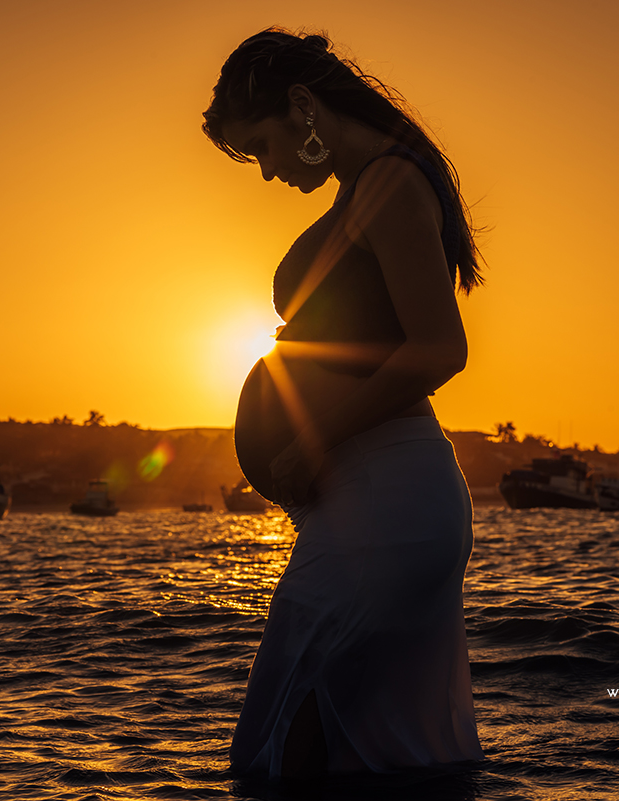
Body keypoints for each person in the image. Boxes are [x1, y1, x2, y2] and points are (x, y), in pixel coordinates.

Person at [202, 28, 486, 779]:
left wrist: (311, 437)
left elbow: (438, 349)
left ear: (302, 107)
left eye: (261, 146)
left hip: (385, 497)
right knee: (370, 753)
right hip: (376, 499)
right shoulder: (366, 187)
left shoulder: (390, 184)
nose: (265, 171)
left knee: (281, 749)